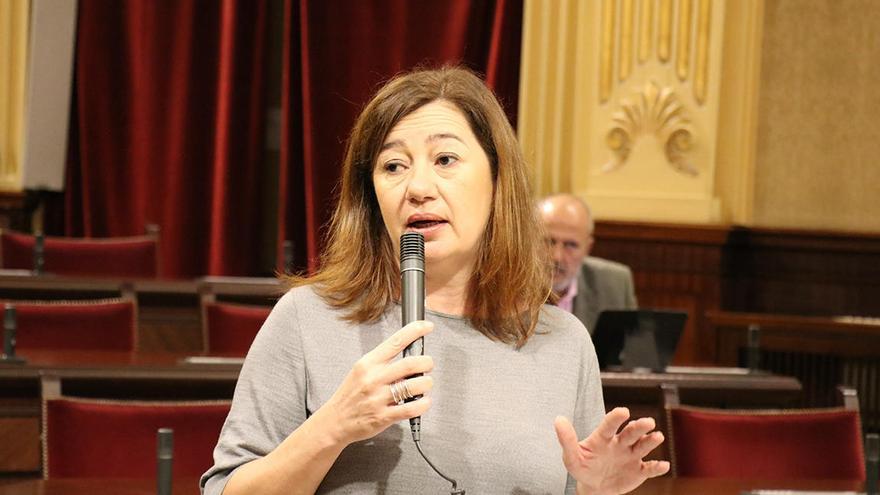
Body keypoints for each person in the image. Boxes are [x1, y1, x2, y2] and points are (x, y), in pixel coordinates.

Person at [201, 67, 668, 494]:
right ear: (372, 196)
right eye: (393, 166)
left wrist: (596, 492)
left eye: (445, 159)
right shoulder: (308, 319)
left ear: (497, 179)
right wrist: (334, 425)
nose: (418, 187)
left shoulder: (563, 341)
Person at [538, 194, 638, 334]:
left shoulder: (615, 285)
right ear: (530, 238)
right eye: (549, 241)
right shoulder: (505, 286)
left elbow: (628, 352)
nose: (557, 256)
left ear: (588, 248)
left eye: (571, 245)